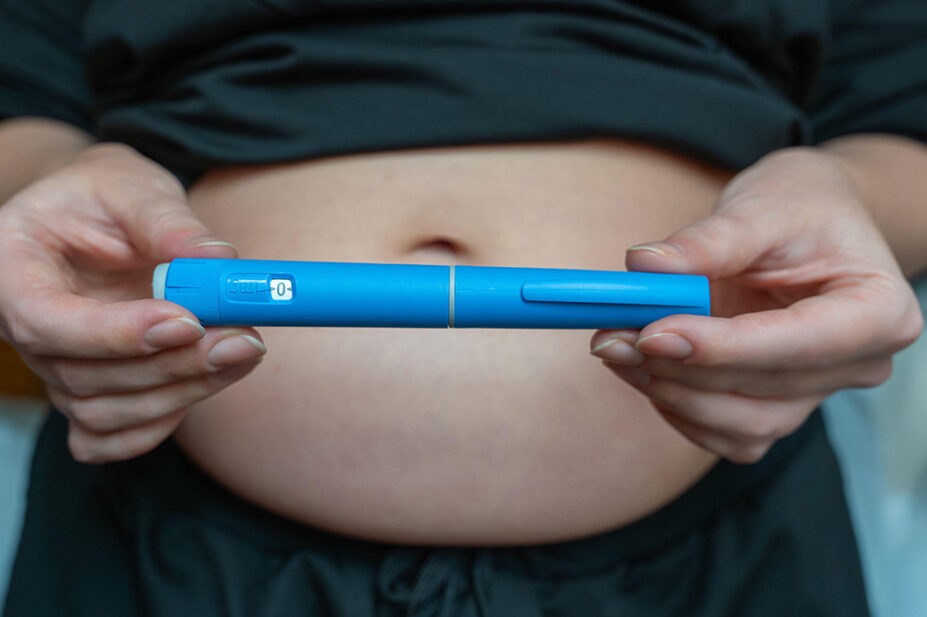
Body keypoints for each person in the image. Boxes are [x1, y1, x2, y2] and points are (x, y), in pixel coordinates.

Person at [1, 1, 925, 615]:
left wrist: (851, 196)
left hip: (710, 553)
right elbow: (23, 90)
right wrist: (51, 184)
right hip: (173, 543)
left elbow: (903, 119)